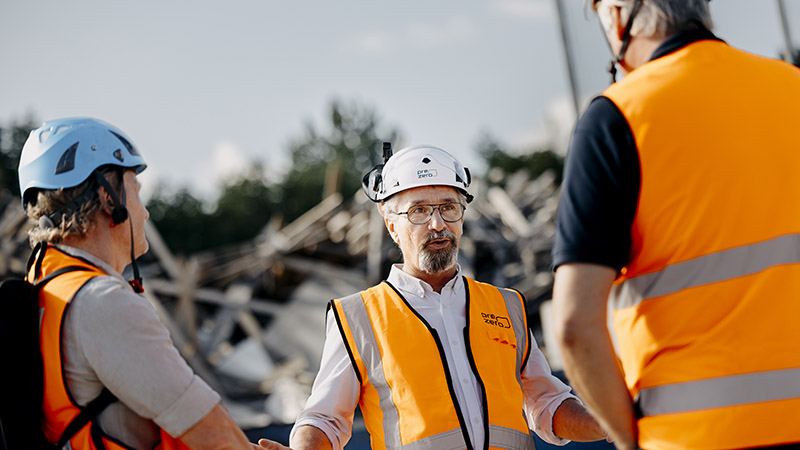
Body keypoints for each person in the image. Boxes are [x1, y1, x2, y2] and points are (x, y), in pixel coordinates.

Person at [550, 1, 800, 449]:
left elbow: (574, 325)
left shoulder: (617, 119)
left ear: (618, 14)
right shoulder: (793, 87)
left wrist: (631, 440)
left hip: (695, 436)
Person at [258, 144, 607, 450]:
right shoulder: (359, 317)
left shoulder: (506, 305)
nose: (437, 224)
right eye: (419, 211)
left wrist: (612, 424)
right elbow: (324, 420)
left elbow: (548, 403)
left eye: (448, 208)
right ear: (391, 223)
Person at [18, 117, 254, 449]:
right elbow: (214, 435)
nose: (144, 213)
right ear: (107, 195)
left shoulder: (46, 287)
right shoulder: (102, 303)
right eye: (136, 191)